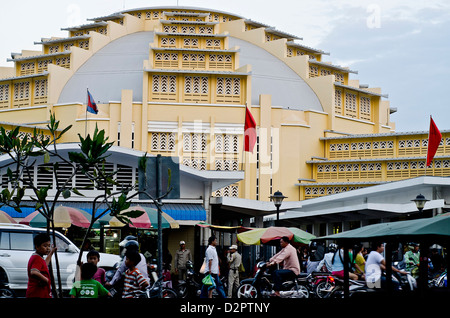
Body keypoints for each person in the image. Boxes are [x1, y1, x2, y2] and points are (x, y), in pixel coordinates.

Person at [26, 233, 57, 298]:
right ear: (37, 247)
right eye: (45, 246)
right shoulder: (37, 258)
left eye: (49, 246)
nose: (48, 248)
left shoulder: (39, 257)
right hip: (37, 293)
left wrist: (51, 253)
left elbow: (44, 265)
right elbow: (34, 272)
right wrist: (46, 280)